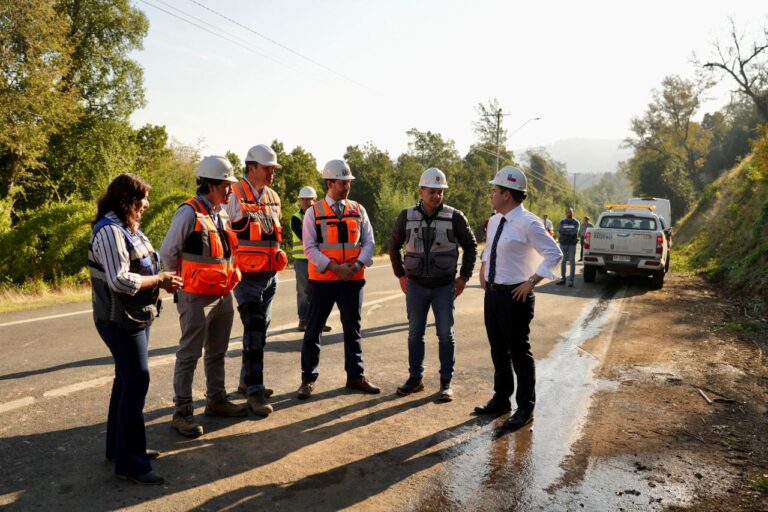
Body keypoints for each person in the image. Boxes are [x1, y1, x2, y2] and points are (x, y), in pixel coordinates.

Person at [89, 174, 182, 485]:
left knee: (126, 380)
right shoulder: (109, 231)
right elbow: (120, 280)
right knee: (137, 381)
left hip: (135, 317)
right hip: (119, 320)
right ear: (127, 200)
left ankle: (121, 449)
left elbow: (145, 266)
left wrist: (161, 279)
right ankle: (132, 464)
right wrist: (160, 280)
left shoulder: (128, 229)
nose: (147, 204)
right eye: (142, 198)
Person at [160, 156, 246, 438]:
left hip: (222, 294)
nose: (231, 190)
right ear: (210, 184)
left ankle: (216, 400)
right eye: (226, 185)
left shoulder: (220, 213)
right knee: (189, 354)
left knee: (217, 351)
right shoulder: (188, 212)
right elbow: (168, 252)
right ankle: (182, 413)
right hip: (194, 296)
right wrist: (177, 284)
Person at [475, 167, 562, 431]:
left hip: (515, 296)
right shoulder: (494, 221)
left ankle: (525, 407)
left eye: (495, 191)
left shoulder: (529, 223)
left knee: (519, 353)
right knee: (498, 350)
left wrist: (532, 281)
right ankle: (502, 398)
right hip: (493, 294)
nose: (491, 194)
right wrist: (483, 267)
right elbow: (490, 249)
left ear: (507, 195)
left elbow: (554, 253)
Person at [388, 167, 477, 401]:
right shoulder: (406, 216)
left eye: (440, 192)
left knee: (445, 334)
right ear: (421, 191)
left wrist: (464, 277)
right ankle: (415, 378)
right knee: (415, 333)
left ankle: (446, 382)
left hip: (444, 287)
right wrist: (401, 275)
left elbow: (471, 246)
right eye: (432, 191)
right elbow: (393, 245)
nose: (436, 196)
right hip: (415, 286)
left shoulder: (454, 216)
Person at [297, 159, 380, 399]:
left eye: (348, 182)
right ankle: (307, 379)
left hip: (352, 280)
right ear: (330, 182)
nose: (347, 186)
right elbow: (309, 248)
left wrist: (355, 265)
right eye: (343, 182)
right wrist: (334, 267)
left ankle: (355, 376)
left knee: (353, 328)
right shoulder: (314, 212)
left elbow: (369, 242)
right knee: (313, 330)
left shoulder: (358, 209)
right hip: (323, 281)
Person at [224, 144, 288, 416]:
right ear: (252, 167)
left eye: (273, 168)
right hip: (246, 275)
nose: (272, 172)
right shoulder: (234, 195)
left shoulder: (272, 195)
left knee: (261, 330)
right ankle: (254, 392)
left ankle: (245, 381)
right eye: (268, 168)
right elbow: (222, 234)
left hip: (270, 275)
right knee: (254, 330)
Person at [291, 185, 331, 333]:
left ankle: (320, 320)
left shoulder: (320, 216)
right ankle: (303, 320)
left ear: (315, 200)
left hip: (316, 259)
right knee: (303, 291)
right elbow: (306, 236)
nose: (307, 202)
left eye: (310, 200)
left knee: (319, 291)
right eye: (304, 199)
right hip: (302, 260)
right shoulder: (296, 218)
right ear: (300, 201)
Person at [556, 207, 580, 287]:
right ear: (566, 213)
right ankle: (563, 279)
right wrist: (567, 232)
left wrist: (565, 232)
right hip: (563, 244)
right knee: (563, 262)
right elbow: (560, 230)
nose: (569, 213)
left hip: (571, 245)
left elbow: (574, 232)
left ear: (573, 213)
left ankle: (571, 281)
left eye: (571, 212)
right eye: (568, 212)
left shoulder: (576, 222)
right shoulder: (562, 221)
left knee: (572, 262)